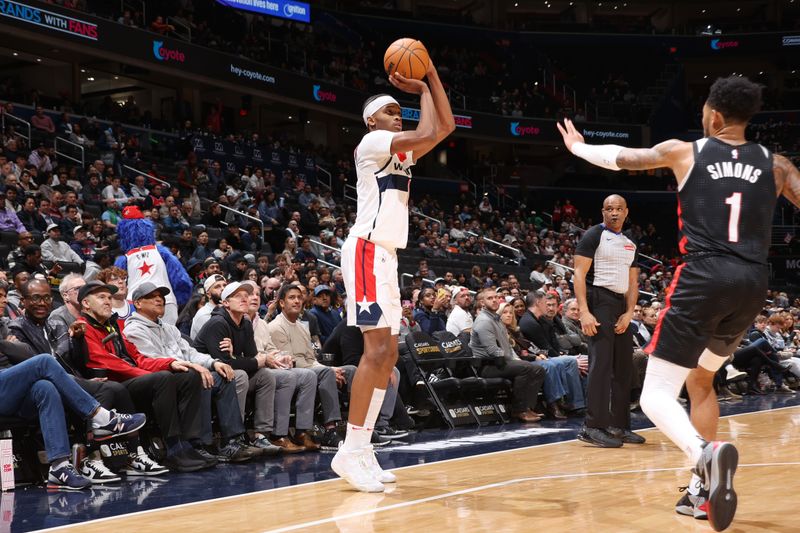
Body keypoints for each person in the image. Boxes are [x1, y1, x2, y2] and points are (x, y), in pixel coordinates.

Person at [557, 75, 798, 530]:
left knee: (655, 394)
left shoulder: (686, 150)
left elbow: (624, 160)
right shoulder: (778, 165)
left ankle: (703, 455)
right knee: (702, 380)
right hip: (752, 283)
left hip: (704, 277)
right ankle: (700, 490)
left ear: (715, 116)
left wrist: (578, 149)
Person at [333, 59, 456, 492]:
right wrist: (420, 90)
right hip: (365, 250)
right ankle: (350, 450)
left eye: (397, 113)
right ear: (372, 121)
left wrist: (431, 80)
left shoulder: (399, 151)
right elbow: (427, 132)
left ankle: (363, 450)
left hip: (386, 256)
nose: (395, 116)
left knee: (388, 357)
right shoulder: (372, 144)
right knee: (376, 351)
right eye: (390, 112)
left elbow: (444, 128)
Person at [123, 282, 258, 463]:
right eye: (152, 297)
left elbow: (190, 352)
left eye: (161, 297)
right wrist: (194, 366)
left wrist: (213, 362)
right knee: (197, 377)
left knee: (224, 376)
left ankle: (231, 442)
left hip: (184, 375)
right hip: (163, 381)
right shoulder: (133, 330)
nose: (159, 300)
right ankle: (198, 444)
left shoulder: (169, 327)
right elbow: (151, 361)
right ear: (138, 303)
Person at [573, 194, 645, 448]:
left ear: (626, 212)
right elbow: (579, 273)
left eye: (618, 209)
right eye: (609, 209)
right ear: (602, 212)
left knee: (624, 368)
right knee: (601, 365)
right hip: (599, 299)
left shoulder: (630, 242)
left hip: (620, 306)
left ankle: (618, 425)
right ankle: (592, 427)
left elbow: (633, 283)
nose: (614, 213)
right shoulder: (594, 234)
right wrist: (584, 311)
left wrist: (629, 312)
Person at [470, 289, 545, 423]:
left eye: (496, 297)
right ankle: (518, 410)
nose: (494, 300)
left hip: (502, 362)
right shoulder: (484, 321)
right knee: (526, 368)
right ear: (482, 302)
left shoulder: (496, 319)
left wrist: (515, 359)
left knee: (538, 369)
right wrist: (515, 361)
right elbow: (493, 350)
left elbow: (507, 346)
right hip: (488, 366)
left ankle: (528, 407)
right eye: (489, 298)